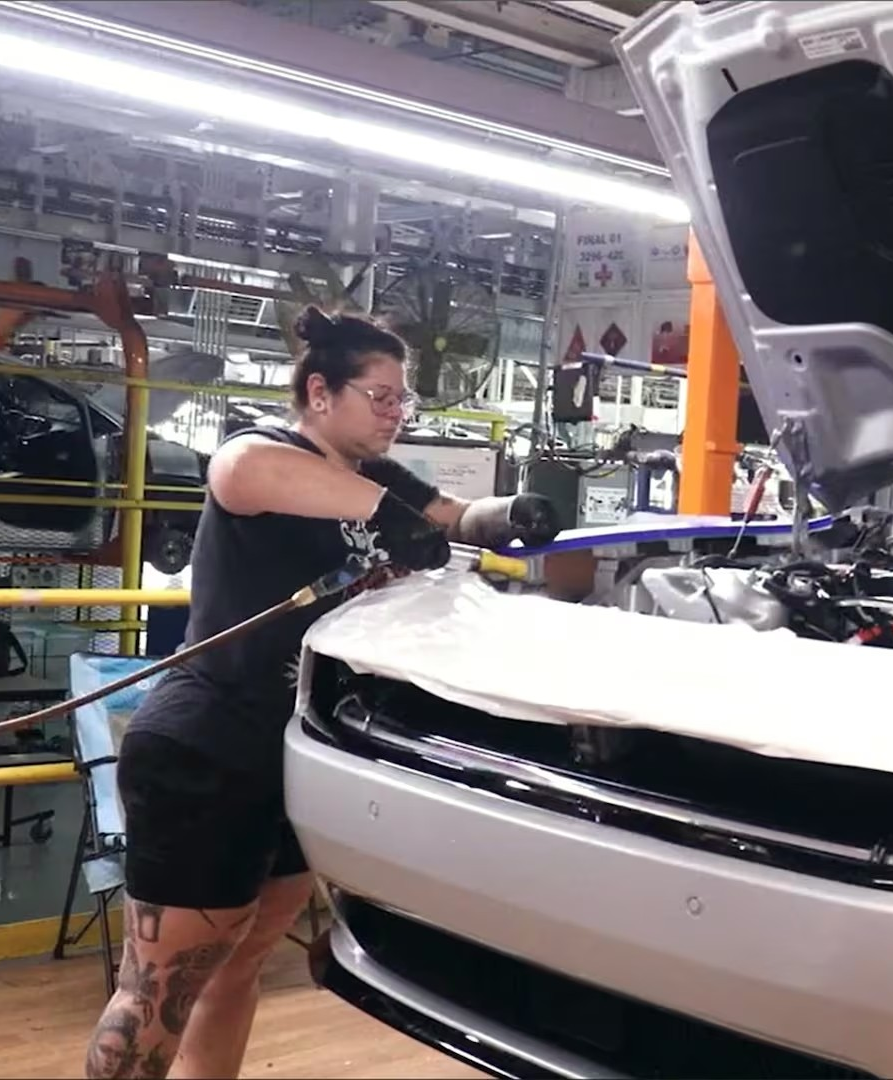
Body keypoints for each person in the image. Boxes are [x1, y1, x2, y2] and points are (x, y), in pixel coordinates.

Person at [84, 308, 560, 1080]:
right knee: (161, 986)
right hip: (209, 747)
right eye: (380, 396)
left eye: (403, 401)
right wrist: (384, 516)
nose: (396, 414)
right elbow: (240, 474)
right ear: (318, 392)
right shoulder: (263, 452)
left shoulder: (382, 480)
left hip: (298, 752)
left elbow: (449, 517)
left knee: (238, 969)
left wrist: (510, 516)